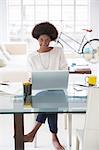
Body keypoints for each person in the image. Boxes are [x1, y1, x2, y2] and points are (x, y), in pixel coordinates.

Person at [24, 22, 68, 150]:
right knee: (51, 100)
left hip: (58, 90)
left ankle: (33, 133)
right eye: (41, 39)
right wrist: (32, 79)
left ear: (51, 40)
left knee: (52, 98)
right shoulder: (31, 57)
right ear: (37, 39)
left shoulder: (58, 51)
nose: (44, 42)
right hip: (40, 92)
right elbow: (31, 75)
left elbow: (64, 69)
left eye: (47, 40)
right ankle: (54, 138)